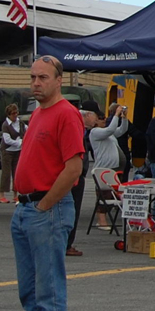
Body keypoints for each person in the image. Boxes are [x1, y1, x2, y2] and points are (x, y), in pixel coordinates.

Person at [7, 56, 84, 311]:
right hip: (26, 210)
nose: (36, 83)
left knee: (49, 292)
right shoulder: (38, 113)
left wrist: (45, 204)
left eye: (42, 78)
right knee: (30, 293)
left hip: (44, 211)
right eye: (32, 77)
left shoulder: (65, 114)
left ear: (58, 81)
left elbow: (73, 168)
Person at [86, 104, 129, 231]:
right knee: (104, 194)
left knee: (113, 194)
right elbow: (110, 130)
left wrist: (124, 118)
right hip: (105, 169)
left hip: (115, 168)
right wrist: (115, 115)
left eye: (105, 117)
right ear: (95, 121)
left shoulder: (106, 133)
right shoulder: (95, 132)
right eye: (101, 118)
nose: (104, 119)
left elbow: (121, 131)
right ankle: (101, 220)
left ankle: (104, 219)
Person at [65, 109, 96, 257]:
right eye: (94, 116)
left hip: (79, 176)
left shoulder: (84, 132)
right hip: (72, 176)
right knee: (70, 210)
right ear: (85, 116)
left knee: (73, 211)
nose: (96, 120)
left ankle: (67, 242)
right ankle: (66, 243)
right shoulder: (75, 130)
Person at [0, 103, 24, 204]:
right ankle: (1, 195)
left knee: (17, 173)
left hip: (17, 151)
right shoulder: (6, 125)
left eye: (16, 113)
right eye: (13, 113)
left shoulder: (21, 123)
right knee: (6, 173)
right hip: (7, 151)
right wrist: (19, 143)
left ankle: (16, 195)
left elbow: (27, 131)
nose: (15, 115)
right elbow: (7, 140)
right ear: (8, 115)